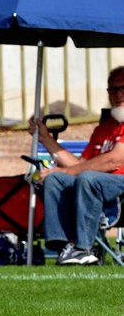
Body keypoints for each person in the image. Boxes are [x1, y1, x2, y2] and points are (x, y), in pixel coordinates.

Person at [29, 66, 124, 265]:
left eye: (123, 88)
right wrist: (45, 138)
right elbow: (80, 164)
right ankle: (64, 245)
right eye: (113, 90)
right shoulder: (104, 128)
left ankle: (84, 248)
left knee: (86, 177)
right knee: (55, 178)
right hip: (96, 186)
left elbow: (115, 159)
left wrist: (68, 171)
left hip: (118, 185)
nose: (118, 94)